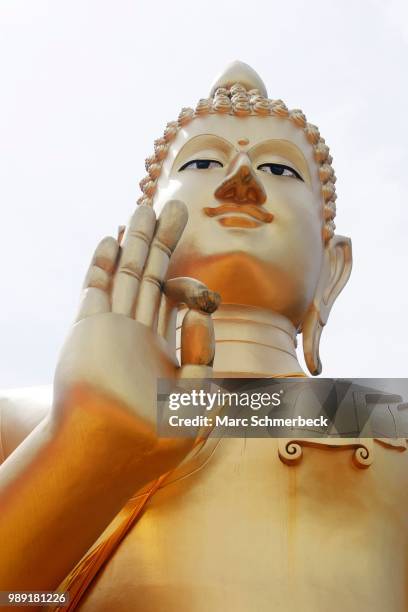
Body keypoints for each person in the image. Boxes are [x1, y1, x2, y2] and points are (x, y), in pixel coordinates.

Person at [1, 61, 406, 612]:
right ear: (136, 241)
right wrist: (79, 454)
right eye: (202, 160)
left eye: (281, 171)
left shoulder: (389, 419)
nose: (241, 182)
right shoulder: (35, 420)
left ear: (332, 267)